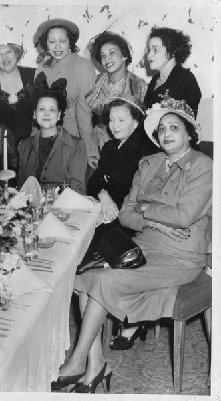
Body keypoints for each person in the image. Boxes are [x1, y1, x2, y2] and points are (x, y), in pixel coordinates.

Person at [52, 96, 212, 393]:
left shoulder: (204, 166)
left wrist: (145, 210)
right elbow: (125, 214)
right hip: (144, 245)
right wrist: (152, 221)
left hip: (181, 256)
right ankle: (96, 363)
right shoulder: (149, 162)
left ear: (189, 133)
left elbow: (184, 215)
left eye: (174, 128)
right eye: (161, 128)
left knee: (101, 282)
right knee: (84, 278)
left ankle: (77, 362)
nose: (166, 134)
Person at [78, 94, 158, 271]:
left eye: (121, 120)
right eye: (111, 120)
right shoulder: (109, 147)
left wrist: (106, 205)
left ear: (136, 122)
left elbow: (137, 195)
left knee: (85, 249)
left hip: (127, 219)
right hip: (105, 209)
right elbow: (93, 183)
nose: (114, 126)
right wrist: (103, 194)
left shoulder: (146, 151)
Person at [34, 18, 98, 168]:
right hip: (44, 137)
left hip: (72, 138)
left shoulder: (84, 66)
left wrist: (88, 150)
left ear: (70, 42)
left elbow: (84, 111)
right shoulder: (41, 67)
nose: (57, 46)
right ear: (46, 44)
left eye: (62, 40)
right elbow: (37, 108)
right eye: (52, 41)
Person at [17, 73, 87, 194]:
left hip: (64, 209)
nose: (47, 114)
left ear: (59, 114)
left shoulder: (77, 146)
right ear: (34, 114)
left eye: (52, 109)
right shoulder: (23, 146)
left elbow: (77, 189)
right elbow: (21, 187)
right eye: (42, 109)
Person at [86, 31, 148, 151]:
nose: (107, 58)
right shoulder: (95, 82)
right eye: (103, 55)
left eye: (112, 53)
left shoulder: (139, 86)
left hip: (129, 147)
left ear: (124, 55)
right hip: (96, 144)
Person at [0, 27, 36, 142]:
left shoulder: (34, 75)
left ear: (16, 53)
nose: (4, 57)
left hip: (32, 144)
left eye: (8, 52)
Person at [143, 26, 201, 114]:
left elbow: (187, 120)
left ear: (173, 51)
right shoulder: (155, 79)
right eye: (149, 50)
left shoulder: (186, 79)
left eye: (155, 49)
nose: (149, 55)